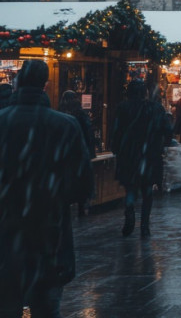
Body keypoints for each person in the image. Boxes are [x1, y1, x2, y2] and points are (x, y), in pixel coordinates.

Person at [0, 60, 93, 318]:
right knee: (47, 307)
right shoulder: (64, 125)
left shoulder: (3, 123)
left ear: (17, 83)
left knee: (6, 305)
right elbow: (82, 183)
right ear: (45, 84)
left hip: (6, 234)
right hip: (49, 235)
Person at [112, 79, 172, 238]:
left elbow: (116, 131)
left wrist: (117, 149)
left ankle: (130, 208)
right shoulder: (155, 108)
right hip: (150, 155)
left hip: (128, 155)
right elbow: (167, 129)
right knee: (147, 190)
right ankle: (144, 226)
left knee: (131, 188)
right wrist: (162, 144)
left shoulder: (122, 108)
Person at [59, 91, 96, 215]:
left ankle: (67, 202)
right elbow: (88, 132)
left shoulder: (62, 112)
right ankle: (81, 205)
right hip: (79, 150)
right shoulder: (80, 113)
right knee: (80, 177)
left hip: (66, 151)